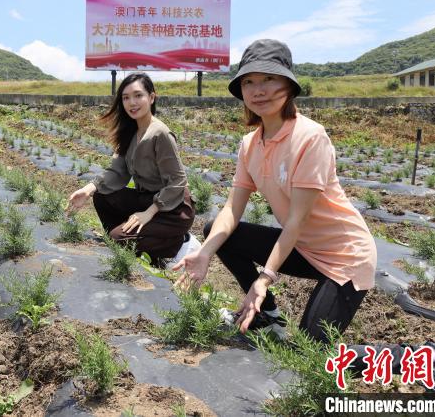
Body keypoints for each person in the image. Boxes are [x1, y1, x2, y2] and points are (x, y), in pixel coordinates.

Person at [173, 39, 376, 343]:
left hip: (344, 256)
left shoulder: (310, 137)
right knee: (218, 229)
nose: (259, 90)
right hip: (304, 249)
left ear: (289, 86)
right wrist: (205, 253)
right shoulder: (249, 145)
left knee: (309, 353)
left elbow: (296, 220)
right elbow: (231, 209)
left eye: (270, 79)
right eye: (249, 82)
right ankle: (267, 315)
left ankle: (428, 356)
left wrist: (264, 278)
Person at [66, 72, 199, 265]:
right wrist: (88, 190)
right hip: (147, 198)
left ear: (152, 98)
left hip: (173, 209)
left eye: (138, 95)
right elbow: (117, 171)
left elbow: (178, 181)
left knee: (117, 238)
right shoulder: (130, 132)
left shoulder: (159, 133)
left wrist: (149, 212)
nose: (132, 102)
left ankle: (180, 245)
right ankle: (139, 240)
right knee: (103, 196)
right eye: (126, 98)